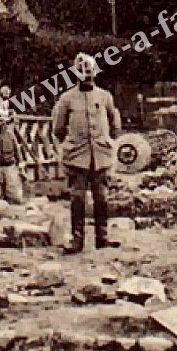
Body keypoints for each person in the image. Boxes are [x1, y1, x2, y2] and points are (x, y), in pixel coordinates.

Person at [51, 52, 122, 253]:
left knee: (101, 198)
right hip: (77, 158)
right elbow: (58, 128)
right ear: (76, 74)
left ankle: (102, 237)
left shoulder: (104, 96)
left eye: (90, 73)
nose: (87, 77)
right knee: (78, 199)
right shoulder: (67, 99)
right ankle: (77, 239)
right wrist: (71, 145)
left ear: (95, 73)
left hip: (100, 157)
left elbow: (115, 124)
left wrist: (106, 141)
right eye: (82, 73)